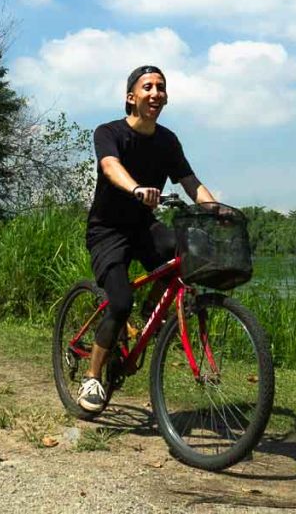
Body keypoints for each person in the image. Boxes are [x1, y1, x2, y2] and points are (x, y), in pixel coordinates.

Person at [78, 64, 217, 412]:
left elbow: (190, 182)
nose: (156, 93)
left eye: (161, 87)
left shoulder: (167, 140)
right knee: (118, 302)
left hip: (143, 226)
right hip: (107, 230)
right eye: (148, 87)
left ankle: (144, 319)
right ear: (131, 97)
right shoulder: (109, 132)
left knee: (184, 257)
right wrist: (137, 188)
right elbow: (110, 167)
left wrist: (217, 209)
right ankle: (92, 377)